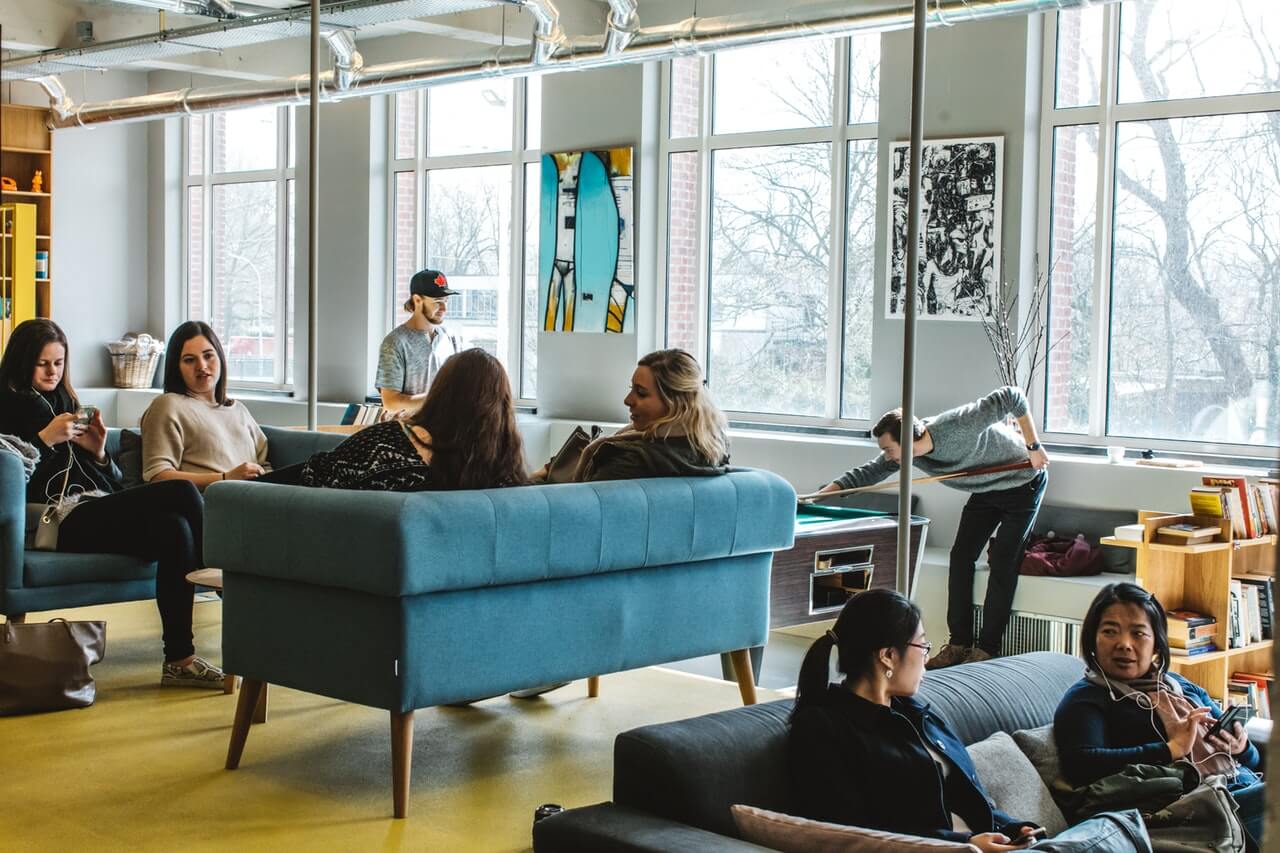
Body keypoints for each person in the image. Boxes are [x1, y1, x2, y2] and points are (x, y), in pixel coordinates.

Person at [788, 588, 1149, 851]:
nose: (927, 659)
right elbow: (855, 830)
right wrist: (963, 844)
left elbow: (971, 797)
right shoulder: (824, 728)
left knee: (1114, 826)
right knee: (1114, 830)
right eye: (923, 646)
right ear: (887, 656)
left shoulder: (918, 715)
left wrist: (1013, 827)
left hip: (984, 847)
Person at [0, 319, 224, 688]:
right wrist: (44, 439)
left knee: (174, 528)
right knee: (182, 492)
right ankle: (217, 565)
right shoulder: (7, 406)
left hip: (93, 507)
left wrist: (100, 453)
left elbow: (106, 483)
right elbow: (12, 476)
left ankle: (179, 659)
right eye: (43, 364)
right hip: (52, 520)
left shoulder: (66, 403)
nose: (52, 372)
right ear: (23, 361)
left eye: (59, 363)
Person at [815, 386, 1049, 669]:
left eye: (888, 449)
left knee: (1003, 562)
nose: (887, 457)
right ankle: (959, 643)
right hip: (987, 489)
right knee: (961, 557)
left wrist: (1034, 447)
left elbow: (1013, 396)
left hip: (1024, 480)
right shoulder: (908, 453)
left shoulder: (956, 425)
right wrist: (819, 496)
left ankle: (987, 649)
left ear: (906, 439)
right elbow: (866, 473)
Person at [1054, 583, 1264, 846]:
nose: (1124, 644)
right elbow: (1081, 764)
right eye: (1110, 632)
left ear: (1156, 643)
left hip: (1240, 788)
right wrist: (1170, 749)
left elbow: (1253, 760)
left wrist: (1241, 746)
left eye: (1138, 633)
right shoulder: (1087, 698)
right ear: (1092, 639)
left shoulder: (1181, 686)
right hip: (1192, 811)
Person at [261, 348, 527, 492]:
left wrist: (235, 488)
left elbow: (315, 475)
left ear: (440, 393)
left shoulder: (387, 443)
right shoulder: (501, 470)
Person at [564, 348, 730, 483]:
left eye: (641, 393)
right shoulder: (715, 450)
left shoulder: (627, 463)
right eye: (631, 389)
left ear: (675, 403)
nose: (627, 400)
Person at [140, 321, 270, 489]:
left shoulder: (239, 410)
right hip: (210, 503)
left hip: (258, 498)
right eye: (189, 360)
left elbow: (264, 465)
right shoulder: (168, 405)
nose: (201, 366)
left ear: (220, 358)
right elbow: (157, 476)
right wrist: (225, 478)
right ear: (176, 367)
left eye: (208, 356)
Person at [375, 268, 462, 415]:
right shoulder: (395, 342)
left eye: (446, 301)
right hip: (408, 433)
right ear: (417, 300)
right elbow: (390, 403)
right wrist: (439, 398)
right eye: (437, 301)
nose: (444, 308)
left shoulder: (451, 338)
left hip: (445, 431)